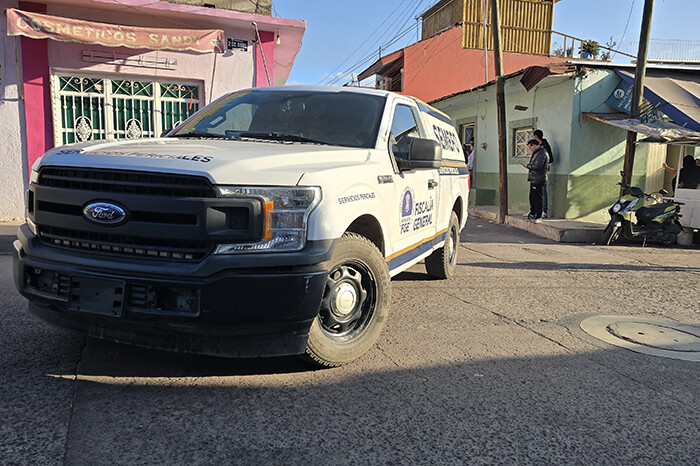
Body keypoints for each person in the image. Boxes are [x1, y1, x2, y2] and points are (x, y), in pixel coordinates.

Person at [521, 139, 548, 222]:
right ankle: (533, 213)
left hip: (538, 178)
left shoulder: (542, 153)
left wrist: (528, 166)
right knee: (532, 197)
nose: (530, 150)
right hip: (534, 178)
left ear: (534, 145)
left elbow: (538, 166)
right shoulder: (536, 153)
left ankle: (538, 215)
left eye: (530, 148)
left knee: (538, 198)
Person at [533, 130, 553, 217]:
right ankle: (535, 210)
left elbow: (551, 159)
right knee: (536, 193)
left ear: (536, 137)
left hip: (542, 172)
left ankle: (544, 211)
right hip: (536, 173)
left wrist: (542, 164)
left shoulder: (545, 147)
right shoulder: (538, 147)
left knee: (543, 191)